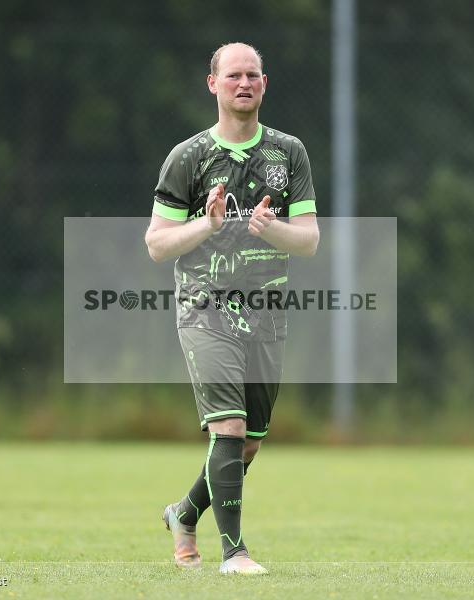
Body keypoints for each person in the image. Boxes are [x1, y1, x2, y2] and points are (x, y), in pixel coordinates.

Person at [145, 42, 319, 575]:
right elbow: (156, 243)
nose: (243, 83)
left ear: (264, 85)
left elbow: (308, 240)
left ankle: (183, 512)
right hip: (205, 309)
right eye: (233, 76)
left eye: (253, 76)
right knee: (230, 430)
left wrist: (274, 229)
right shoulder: (188, 157)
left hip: (267, 314)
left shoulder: (289, 154)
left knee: (246, 447)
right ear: (213, 84)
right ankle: (235, 554)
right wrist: (208, 225)